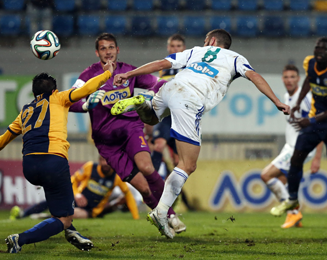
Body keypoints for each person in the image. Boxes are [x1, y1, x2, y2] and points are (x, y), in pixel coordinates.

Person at [112, 29, 290, 238]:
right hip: (190, 99)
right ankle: (161, 212)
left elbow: (161, 64)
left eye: (206, 40)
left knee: (150, 118)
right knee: (188, 164)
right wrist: (277, 101)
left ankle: (143, 103)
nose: (203, 43)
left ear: (212, 41)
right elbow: (254, 76)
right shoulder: (235, 59)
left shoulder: (195, 52)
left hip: (171, 87)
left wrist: (128, 74)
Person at [0, 60, 115, 253]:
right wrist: (107, 73)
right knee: (63, 218)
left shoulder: (26, 111)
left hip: (30, 166)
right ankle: (20, 239)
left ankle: (73, 233)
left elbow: (4, 138)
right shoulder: (60, 98)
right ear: (54, 90)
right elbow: (87, 88)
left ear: (33, 93)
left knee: (58, 207)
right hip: (53, 162)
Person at [69, 33, 186, 235]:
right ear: (97, 52)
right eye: (103, 48)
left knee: (147, 167)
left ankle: (170, 215)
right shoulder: (88, 75)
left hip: (130, 129)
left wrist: (164, 88)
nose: (108, 52)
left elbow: (154, 83)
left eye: (111, 47)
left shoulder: (129, 71)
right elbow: (70, 100)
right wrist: (86, 104)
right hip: (107, 143)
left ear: (117, 50)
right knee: (143, 188)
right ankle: (161, 218)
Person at [261, 64, 323, 228]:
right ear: (282, 79)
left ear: (299, 79)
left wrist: (317, 157)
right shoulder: (287, 97)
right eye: (286, 77)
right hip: (291, 145)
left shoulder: (307, 99)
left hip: (298, 147)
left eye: (293, 77)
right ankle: (296, 220)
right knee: (282, 180)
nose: (289, 80)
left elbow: (320, 126)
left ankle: (294, 212)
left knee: (266, 175)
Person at [271, 37, 327, 216]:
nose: (318, 51)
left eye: (323, 49)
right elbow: (309, 80)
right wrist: (299, 101)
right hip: (316, 124)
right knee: (296, 159)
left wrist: (309, 121)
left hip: (318, 122)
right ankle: (292, 199)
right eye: (317, 48)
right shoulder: (309, 63)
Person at [10, 156, 139, 220]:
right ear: (99, 160)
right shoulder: (90, 167)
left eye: (108, 161)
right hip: (77, 199)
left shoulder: (116, 178)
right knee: (52, 200)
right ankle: (24, 214)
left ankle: (43, 217)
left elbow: (128, 194)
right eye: (103, 160)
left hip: (91, 210)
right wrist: (77, 194)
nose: (105, 164)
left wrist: (136, 217)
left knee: (71, 215)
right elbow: (73, 180)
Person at [152, 34, 195, 212]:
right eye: (173, 46)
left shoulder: (189, 67)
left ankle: (171, 195)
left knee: (180, 162)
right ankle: (152, 187)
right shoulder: (163, 66)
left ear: (183, 49)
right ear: (168, 48)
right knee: (158, 145)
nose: (175, 49)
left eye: (179, 46)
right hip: (166, 117)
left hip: (181, 117)